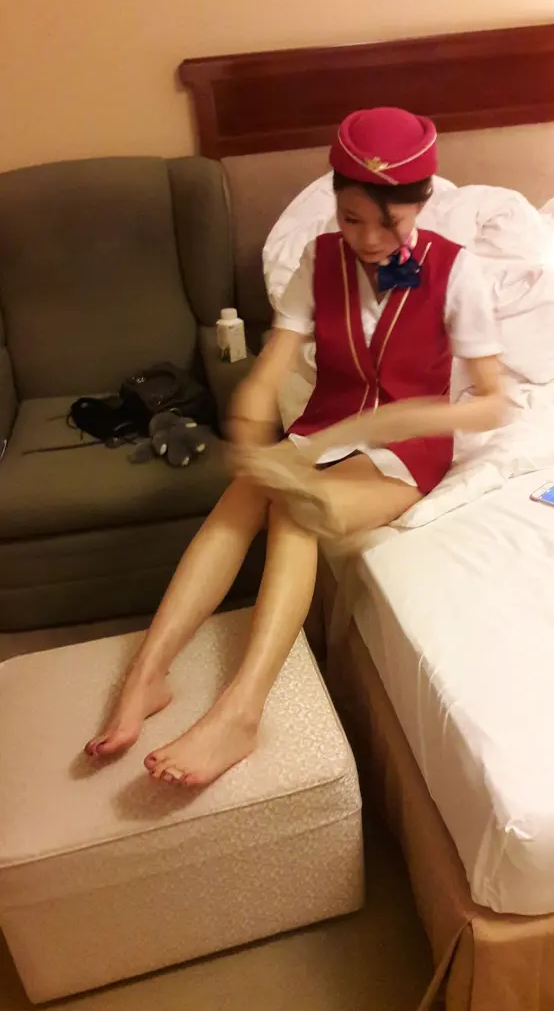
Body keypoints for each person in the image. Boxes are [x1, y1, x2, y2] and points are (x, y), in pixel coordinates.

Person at [85, 107, 505, 786]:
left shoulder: (458, 273)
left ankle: (242, 710)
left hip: (408, 450)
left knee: (296, 508)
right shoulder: (320, 259)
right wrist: (251, 411)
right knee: (248, 488)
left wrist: (409, 417)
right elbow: (276, 362)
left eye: (390, 223)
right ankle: (148, 672)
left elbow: (493, 399)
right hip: (322, 428)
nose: (369, 240)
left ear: (422, 203)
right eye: (352, 219)